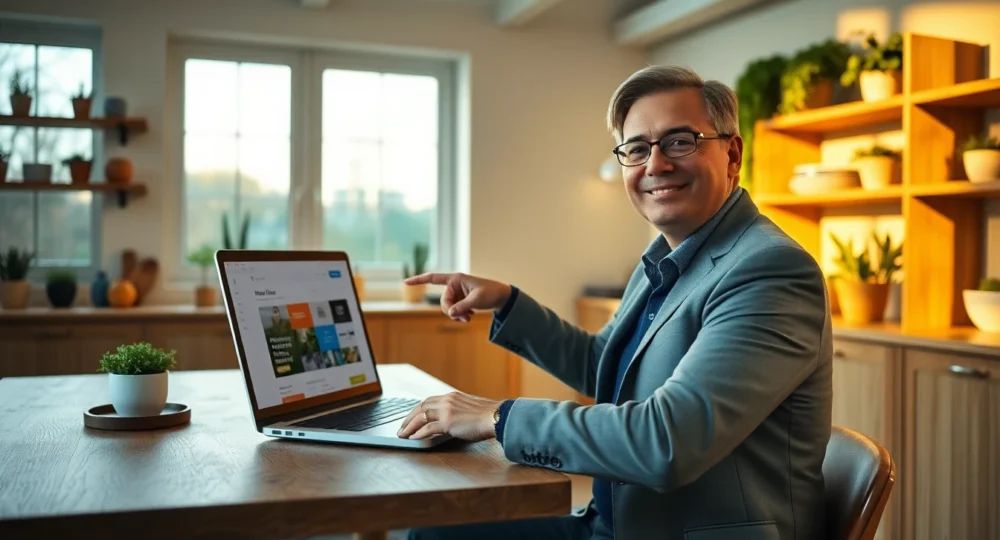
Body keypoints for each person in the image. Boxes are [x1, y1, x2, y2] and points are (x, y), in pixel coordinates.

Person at [398, 65, 832, 540]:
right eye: (638, 149)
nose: (655, 165)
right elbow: (604, 367)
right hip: (617, 523)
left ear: (732, 154)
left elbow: (668, 441)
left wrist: (497, 417)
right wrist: (506, 302)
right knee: (430, 533)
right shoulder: (666, 257)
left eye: (680, 141)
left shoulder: (769, 270)